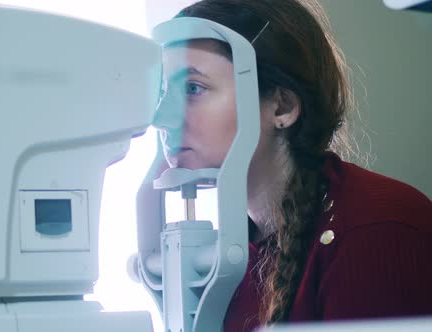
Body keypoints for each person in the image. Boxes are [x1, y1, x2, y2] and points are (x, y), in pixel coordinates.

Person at [152, 0, 432, 331]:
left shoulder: (377, 228)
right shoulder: (238, 251)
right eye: (161, 92)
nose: (161, 118)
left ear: (282, 107)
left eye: (193, 88)